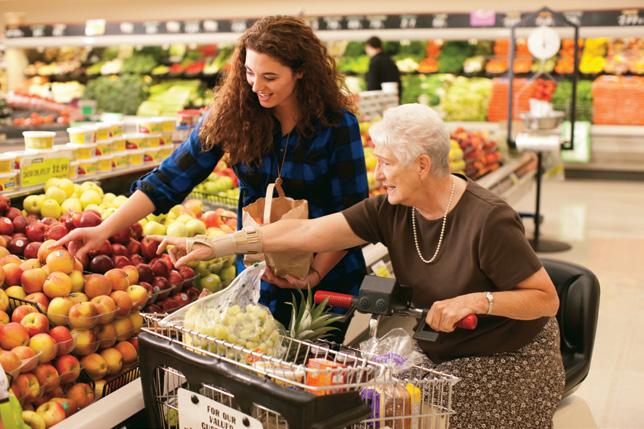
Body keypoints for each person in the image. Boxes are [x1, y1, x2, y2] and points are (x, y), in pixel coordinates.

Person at [152, 104, 566, 428]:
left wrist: (476, 301)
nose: (378, 173)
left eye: (386, 162)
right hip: (442, 354)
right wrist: (217, 245)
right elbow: (306, 234)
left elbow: (545, 300)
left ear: (422, 165)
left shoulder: (487, 218)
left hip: (512, 358)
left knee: (413, 414)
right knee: (362, 409)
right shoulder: (391, 209)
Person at [56, 16, 369, 341]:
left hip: (327, 283)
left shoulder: (336, 126)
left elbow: (354, 213)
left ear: (301, 71)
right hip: (256, 276)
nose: (256, 86)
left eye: (270, 76)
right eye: (249, 72)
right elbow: (171, 176)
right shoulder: (235, 115)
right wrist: (105, 229)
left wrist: (315, 273)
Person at [365, 36, 402, 101]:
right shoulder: (390, 60)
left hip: (380, 101)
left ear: (369, 46)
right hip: (393, 98)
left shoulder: (374, 62)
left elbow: (372, 84)